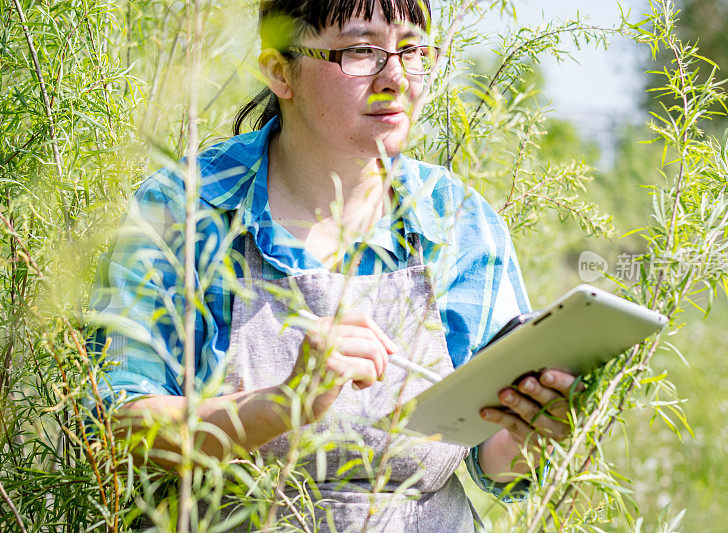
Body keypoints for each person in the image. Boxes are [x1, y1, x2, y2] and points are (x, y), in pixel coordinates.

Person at [90, 0, 579, 530]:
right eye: (362, 51)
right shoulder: (184, 211)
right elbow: (120, 429)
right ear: (280, 71)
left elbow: (490, 461)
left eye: (411, 50)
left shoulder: (457, 222)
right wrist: (281, 405)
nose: (394, 78)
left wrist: (530, 427)